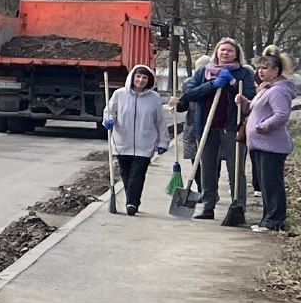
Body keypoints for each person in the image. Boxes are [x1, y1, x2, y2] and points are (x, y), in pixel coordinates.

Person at [175, 40, 255, 221]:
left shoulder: (243, 73)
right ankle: (208, 206)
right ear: (217, 52)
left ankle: (238, 206)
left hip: (232, 128)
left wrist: (233, 83)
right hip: (206, 127)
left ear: (237, 54)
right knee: (207, 168)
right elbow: (190, 94)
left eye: (230, 51)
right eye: (222, 50)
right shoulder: (203, 72)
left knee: (236, 169)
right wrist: (212, 85)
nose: (226, 53)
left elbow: (250, 96)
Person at [101, 64, 168, 216]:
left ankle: (132, 203)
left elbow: (160, 121)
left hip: (145, 143)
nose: (141, 80)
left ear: (149, 80)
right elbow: (109, 111)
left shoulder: (154, 98)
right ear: (132, 77)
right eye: (138, 76)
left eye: (144, 77)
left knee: (137, 173)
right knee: (125, 174)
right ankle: (131, 200)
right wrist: (108, 120)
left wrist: (163, 141)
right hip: (122, 141)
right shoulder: (119, 94)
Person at [247, 49, 292, 234]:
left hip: (272, 145)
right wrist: (244, 102)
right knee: (265, 185)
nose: (260, 71)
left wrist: (263, 126)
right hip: (260, 144)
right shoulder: (266, 88)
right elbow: (256, 109)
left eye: (265, 68)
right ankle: (267, 220)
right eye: (259, 68)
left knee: (272, 184)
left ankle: (274, 221)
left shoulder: (278, 91)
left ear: (276, 70)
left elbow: (281, 115)